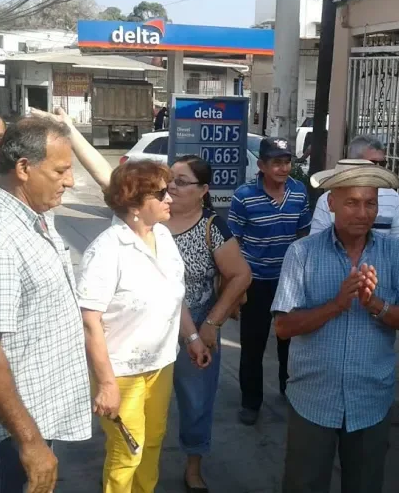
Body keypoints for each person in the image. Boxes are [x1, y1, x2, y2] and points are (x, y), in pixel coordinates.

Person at [0, 117, 92, 492]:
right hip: (6, 438)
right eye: (61, 170)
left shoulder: (32, 217)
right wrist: (29, 442)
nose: (71, 181)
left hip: (29, 421)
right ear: (25, 169)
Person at [273, 159, 399, 493]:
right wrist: (337, 305)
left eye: (370, 203)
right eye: (352, 202)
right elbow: (283, 327)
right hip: (313, 398)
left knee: (365, 484)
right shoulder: (302, 253)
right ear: (331, 204)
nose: (362, 212)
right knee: (303, 484)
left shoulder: (396, 253)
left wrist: (375, 305)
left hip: (371, 399)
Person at [77, 160, 213, 493]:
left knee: (152, 442)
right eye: (162, 192)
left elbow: (174, 294)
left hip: (161, 363)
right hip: (121, 372)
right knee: (127, 452)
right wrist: (106, 384)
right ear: (136, 203)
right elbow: (89, 321)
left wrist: (192, 337)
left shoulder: (163, 237)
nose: (172, 197)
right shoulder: (107, 251)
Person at [164, 156, 252, 492]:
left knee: (196, 401)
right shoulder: (151, 217)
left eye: (181, 181)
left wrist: (213, 323)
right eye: (169, 179)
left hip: (198, 322)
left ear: (203, 190)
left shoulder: (211, 227)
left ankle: (193, 466)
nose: (171, 186)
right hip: (150, 323)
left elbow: (241, 274)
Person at [228, 137, 312, 426]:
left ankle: (289, 389)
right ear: (262, 165)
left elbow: (303, 237)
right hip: (255, 281)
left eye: (287, 161)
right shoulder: (244, 196)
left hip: (288, 281)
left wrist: (303, 277)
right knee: (252, 344)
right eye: (276, 162)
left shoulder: (299, 193)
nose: (283, 167)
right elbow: (234, 242)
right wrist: (235, 287)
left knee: (288, 340)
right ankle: (251, 402)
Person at [310, 135, 399, 238]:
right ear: (354, 162)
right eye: (372, 163)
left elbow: (398, 240)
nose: (378, 168)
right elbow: (316, 243)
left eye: (382, 163)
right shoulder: (327, 201)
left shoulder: (392, 197)